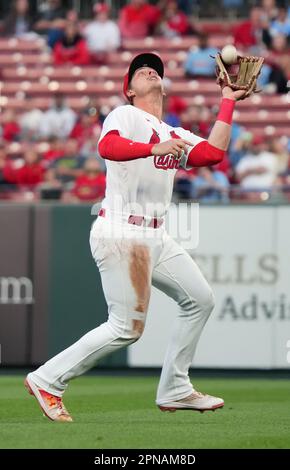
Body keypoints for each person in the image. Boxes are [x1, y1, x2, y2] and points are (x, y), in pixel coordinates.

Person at [25, 52, 249, 422]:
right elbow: (107, 147)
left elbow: (212, 154)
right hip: (120, 230)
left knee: (200, 300)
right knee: (126, 328)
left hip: (156, 236)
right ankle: (48, 379)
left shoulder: (173, 132)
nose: (150, 70)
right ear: (129, 89)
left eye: (155, 69)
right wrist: (151, 148)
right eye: (141, 70)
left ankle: (175, 387)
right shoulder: (124, 115)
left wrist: (227, 101)